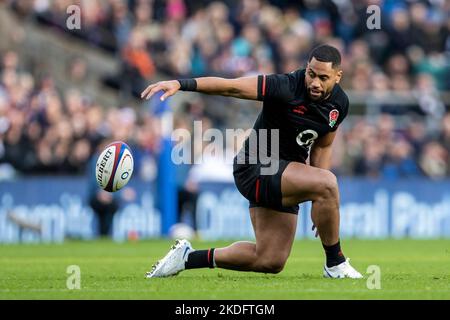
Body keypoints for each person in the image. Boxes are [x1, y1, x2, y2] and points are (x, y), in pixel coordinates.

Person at [141, 44, 363, 279]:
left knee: (270, 259)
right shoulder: (286, 86)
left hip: (285, 174)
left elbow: (323, 146)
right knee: (328, 183)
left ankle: (186, 258)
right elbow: (232, 87)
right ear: (306, 68)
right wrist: (181, 84)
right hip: (257, 167)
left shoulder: (340, 104)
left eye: (323, 77)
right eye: (311, 74)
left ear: (338, 77)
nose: (314, 82)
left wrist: (320, 199)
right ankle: (335, 263)